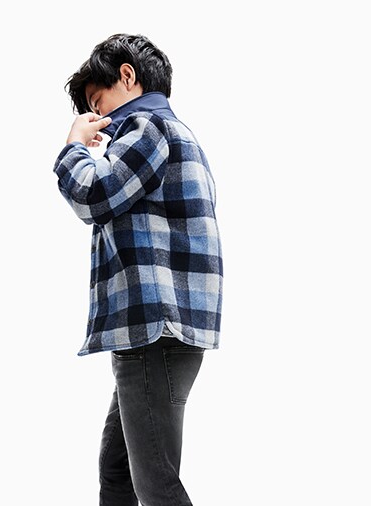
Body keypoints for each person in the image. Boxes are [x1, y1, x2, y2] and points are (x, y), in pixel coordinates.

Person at [54, 33, 222, 506]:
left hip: (154, 330)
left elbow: (93, 196)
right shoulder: (174, 134)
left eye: (97, 101)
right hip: (163, 331)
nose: (97, 116)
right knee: (119, 474)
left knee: (155, 485)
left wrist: (74, 146)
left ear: (127, 76)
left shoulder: (146, 126)